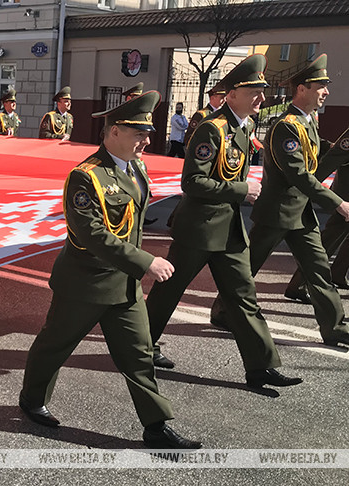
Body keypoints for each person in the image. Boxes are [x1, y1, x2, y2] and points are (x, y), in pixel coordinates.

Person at [18, 91, 200, 449]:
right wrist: (146, 262)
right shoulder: (85, 177)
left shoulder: (137, 168)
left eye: (147, 134)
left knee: (138, 355)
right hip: (85, 284)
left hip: (124, 287)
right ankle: (32, 399)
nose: (146, 141)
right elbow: (92, 235)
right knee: (54, 347)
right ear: (114, 131)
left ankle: (156, 425)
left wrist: (136, 267)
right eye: (138, 134)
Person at [145, 55, 302, 389]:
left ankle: (261, 366)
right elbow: (192, 183)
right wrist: (242, 190)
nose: (261, 97)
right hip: (199, 229)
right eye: (253, 91)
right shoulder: (211, 129)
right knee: (167, 293)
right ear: (231, 94)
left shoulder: (242, 130)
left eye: (262, 91)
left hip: (229, 232)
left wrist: (237, 195)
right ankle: (139, 349)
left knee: (244, 297)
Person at [212, 54, 349, 348]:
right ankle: (222, 311)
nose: (326, 92)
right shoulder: (286, 126)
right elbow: (299, 174)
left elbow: (317, 160)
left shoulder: (308, 121)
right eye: (320, 86)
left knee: (319, 269)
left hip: (301, 213)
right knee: (247, 267)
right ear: (302, 89)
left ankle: (335, 327)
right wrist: (339, 203)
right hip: (278, 212)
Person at [283, 124, 349, 301]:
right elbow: (331, 160)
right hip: (346, 197)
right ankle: (297, 284)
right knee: (329, 240)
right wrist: (308, 188)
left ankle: (338, 273)